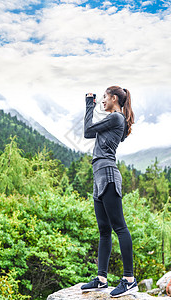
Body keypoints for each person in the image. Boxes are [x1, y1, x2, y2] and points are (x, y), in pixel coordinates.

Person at [81, 86, 138, 297]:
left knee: (119, 227)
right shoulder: (115, 120)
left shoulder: (116, 118)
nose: (102, 101)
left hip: (108, 174)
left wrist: (89, 103)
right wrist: (95, 104)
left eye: (104, 97)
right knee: (104, 230)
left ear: (114, 98)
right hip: (99, 176)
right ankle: (101, 279)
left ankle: (129, 279)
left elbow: (87, 131)